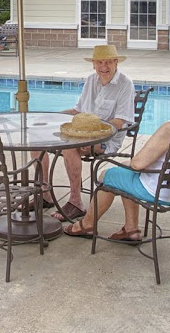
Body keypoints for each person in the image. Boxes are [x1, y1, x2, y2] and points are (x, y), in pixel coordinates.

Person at [63, 76, 170, 241]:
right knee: (124, 174)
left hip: (161, 191)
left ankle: (87, 225)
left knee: (107, 176)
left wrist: (130, 164)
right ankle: (131, 230)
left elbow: (137, 164)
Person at [33, 44, 135, 222]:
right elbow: (77, 111)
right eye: (100, 62)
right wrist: (49, 117)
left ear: (116, 63)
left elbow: (119, 122)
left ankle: (76, 202)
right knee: (37, 139)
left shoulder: (125, 84)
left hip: (106, 140)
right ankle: (45, 194)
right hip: (82, 134)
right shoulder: (90, 80)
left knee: (69, 146)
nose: (104, 67)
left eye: (108, 62)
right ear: (94, 64)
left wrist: (92, 136)